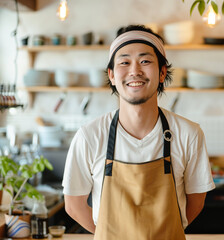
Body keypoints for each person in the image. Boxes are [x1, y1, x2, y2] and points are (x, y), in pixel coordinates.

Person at [62, 25, 215, 240]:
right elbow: (74, 205)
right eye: (124, 62)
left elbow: (196, 201)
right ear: (112, 75)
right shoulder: (89, 136)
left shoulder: (188, 133)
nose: (135, 71)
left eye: (145, 61)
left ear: (162, 73)